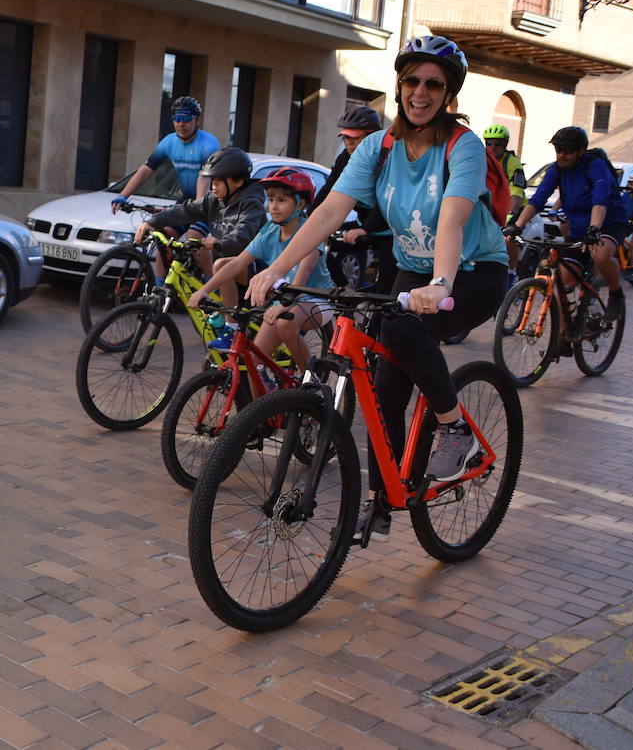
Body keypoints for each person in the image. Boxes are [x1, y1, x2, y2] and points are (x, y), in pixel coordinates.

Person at [245, 35, 508, 539]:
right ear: (400, 86)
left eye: (434, 84)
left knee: (403, 330)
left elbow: (452, 220)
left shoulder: (463, 146)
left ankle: (454, 427)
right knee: (384, 383)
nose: (420, 92)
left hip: (472, 273)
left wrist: (442, 281)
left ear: (448, 91)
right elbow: (327, 212)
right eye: (412, 81)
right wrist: (275, 267)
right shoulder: (378, 147)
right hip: (412, 270)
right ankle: (381, 497)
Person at [189, 166, 331, 372]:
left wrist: (285, 305)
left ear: (300, 203)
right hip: (282, 303)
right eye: (271, 199)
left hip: (316, 300)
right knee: (253, 365)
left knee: (284, 323)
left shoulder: (309, 231)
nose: (273, 206)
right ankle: (267, 401)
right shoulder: (270, 230)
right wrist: (205, 289)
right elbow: (238, 262)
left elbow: (305, 271)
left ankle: (311, 380)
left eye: (281, 200)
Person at [506, 126, 630, 321]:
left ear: (581, 151)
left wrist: (595, 228)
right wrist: (518, 225)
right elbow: (538, 199)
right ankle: (563, 337)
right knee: (563, 281)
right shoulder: (556, 169)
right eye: (558, 150)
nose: (562, 155)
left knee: (600, 254)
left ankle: (616, 295)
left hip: (608, 221)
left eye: (568, 151)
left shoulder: (595, 165)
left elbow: (600, 199)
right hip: (580, 226)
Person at [113, 96, 223, 274]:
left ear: (197, 120)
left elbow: (205, 178)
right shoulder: (169, 142)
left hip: (208, 202)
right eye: (177, 119)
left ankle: (213, 285)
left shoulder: (208, 143)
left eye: (186, 118)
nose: (181, 124)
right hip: (187, 199)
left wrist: (197, 207)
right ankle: (160, 287)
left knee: (194, 238)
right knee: (163, 235)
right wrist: (122, 195)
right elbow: (146, 170)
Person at [132, 147, 266, 290]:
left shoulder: (252, 206)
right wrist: (151, 222)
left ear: (238, 181)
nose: (213, 186)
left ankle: (226, 312)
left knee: (224, 295)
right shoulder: (213, 200)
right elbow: (185, 210)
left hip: (252, 271)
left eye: (219, 181)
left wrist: (220, 243)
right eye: (212, 180)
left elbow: (242, 234)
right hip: (225, 268)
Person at [314, 106, 397, 293]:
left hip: (389, 229)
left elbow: (386, 199)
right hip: (363, 223)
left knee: (387, 289)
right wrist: (308, 215)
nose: (349, 143)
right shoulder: (345, 158)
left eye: (355, 138)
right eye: (346, 138)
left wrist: (365, 229)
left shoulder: (388, 159)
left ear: (372, 137)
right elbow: (329, 189)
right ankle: (346, 290)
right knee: (320, 246)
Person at [481, 124, 527, 286]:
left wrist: (510, 214)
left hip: (514, 207)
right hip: (491, 206)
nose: (492, 147)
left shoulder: (512, 163)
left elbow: (516, 192)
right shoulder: (482, 160)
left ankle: (512, 272)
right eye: (489, 143)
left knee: (508, 238)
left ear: (505, 144)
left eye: (497, 144)